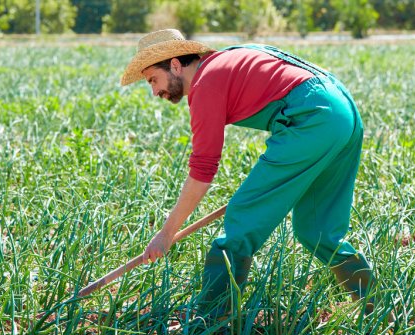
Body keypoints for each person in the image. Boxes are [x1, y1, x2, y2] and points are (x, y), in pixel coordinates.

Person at [121, 29, 374, 319]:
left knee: (240, 222)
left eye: (153, 79)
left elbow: (203, 168)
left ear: (175, 64)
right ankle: (380, 312)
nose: (155, 91)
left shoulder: (206, 82)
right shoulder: (227, 59)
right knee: (318, 231)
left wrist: (166, 234)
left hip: (312, 119)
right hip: (341, 110)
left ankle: (210, 325)